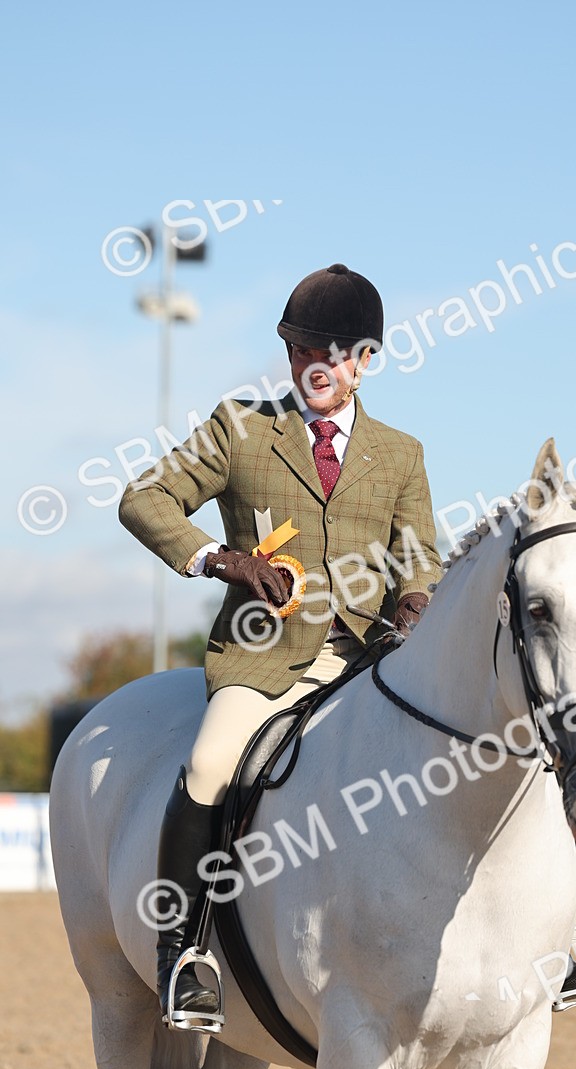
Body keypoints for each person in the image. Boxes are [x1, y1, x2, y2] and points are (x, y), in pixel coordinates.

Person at [119, 263, 441, 1027]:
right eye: (300, 350)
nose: (314, 366)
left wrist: (418, 601)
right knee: (208, 763)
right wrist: (219, 558)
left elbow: (419, 554)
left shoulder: (400, 453)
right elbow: (144, 497)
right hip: (265, 660)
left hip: (368, 661)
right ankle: (183, 955)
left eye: (333, 352)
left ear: (366, 360)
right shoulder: (242, 428)